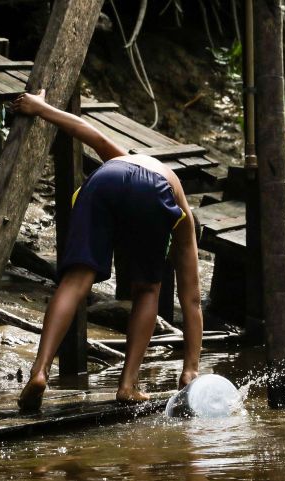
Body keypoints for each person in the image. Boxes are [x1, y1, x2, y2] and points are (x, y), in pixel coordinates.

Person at [12, 90, 202, 411]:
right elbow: (192, 299)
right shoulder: (183, 223)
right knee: (148, 290)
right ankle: (127, 385)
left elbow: (90, 134)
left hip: (103, 182)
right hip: (155, 190)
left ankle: (40, 371)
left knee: (75, 281)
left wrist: (40, 108)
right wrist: (190, 369)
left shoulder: (121, 159)